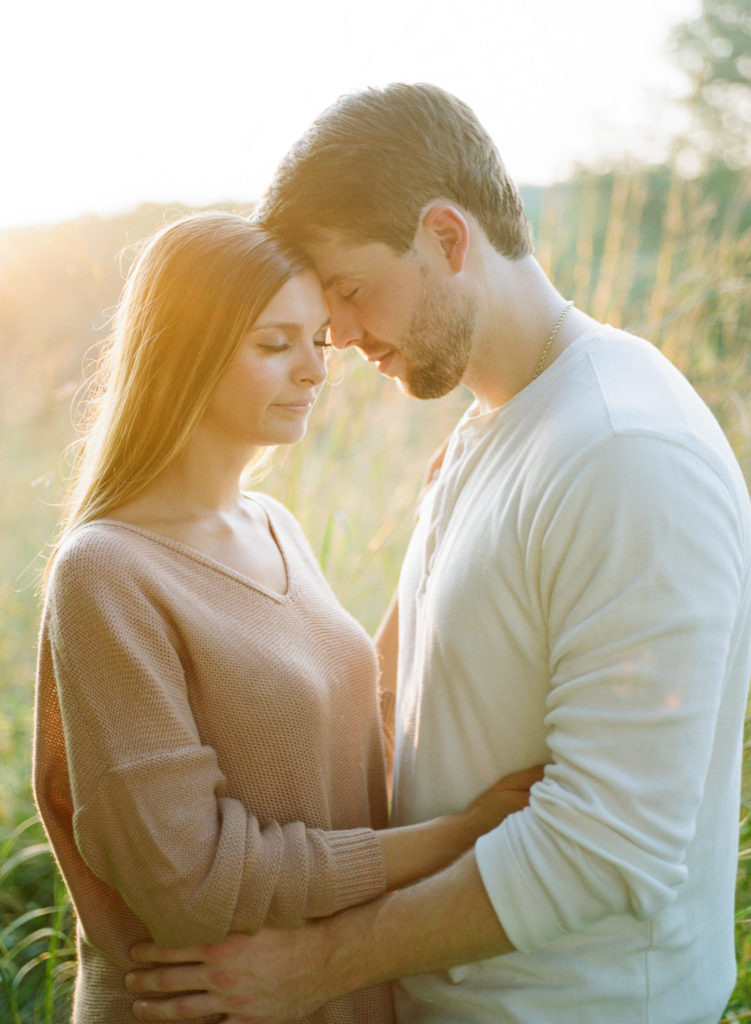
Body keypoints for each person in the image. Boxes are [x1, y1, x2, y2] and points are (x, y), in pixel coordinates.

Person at [126, 85, 751, 1024]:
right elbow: (397, 699)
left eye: (347, 289)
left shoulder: (624, 450)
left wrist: (315, 966)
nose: (337, 337)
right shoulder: (493, 426)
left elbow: (611, 843)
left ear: (448, 238)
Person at [32, 210, 541, 1024]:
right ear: (183, 355)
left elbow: (343, 716)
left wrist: (445, 519)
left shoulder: (273, 524)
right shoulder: (108, 572)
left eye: (318, 341)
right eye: (275, 345)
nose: (313, 371)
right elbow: (192, 884)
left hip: (334, 995)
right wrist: (456, 838)